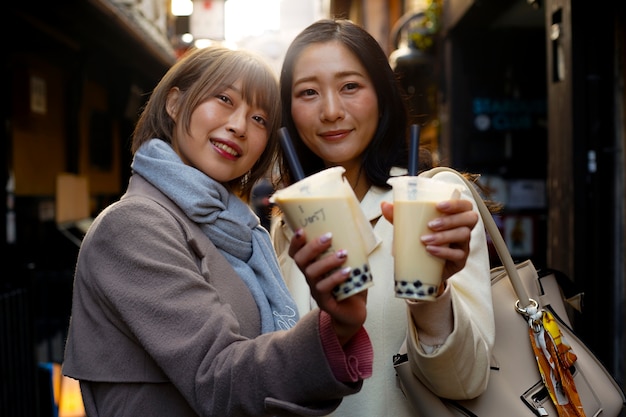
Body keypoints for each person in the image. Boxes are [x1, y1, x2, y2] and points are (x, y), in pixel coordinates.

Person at [62, 45, 374, 417]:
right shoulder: (134, 225)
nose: (239, 126)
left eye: (259, 119)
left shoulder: (237, 230)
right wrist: (332, 329)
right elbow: (218, 377)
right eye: (224, 99)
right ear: (175, 104)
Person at [271, 19, 495, 416]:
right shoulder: (287, 224)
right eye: (308, 92)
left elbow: (468, 381)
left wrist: (433, 294)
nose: (331, 110)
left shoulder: (435, 200)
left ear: (382, 94)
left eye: (350, 86)